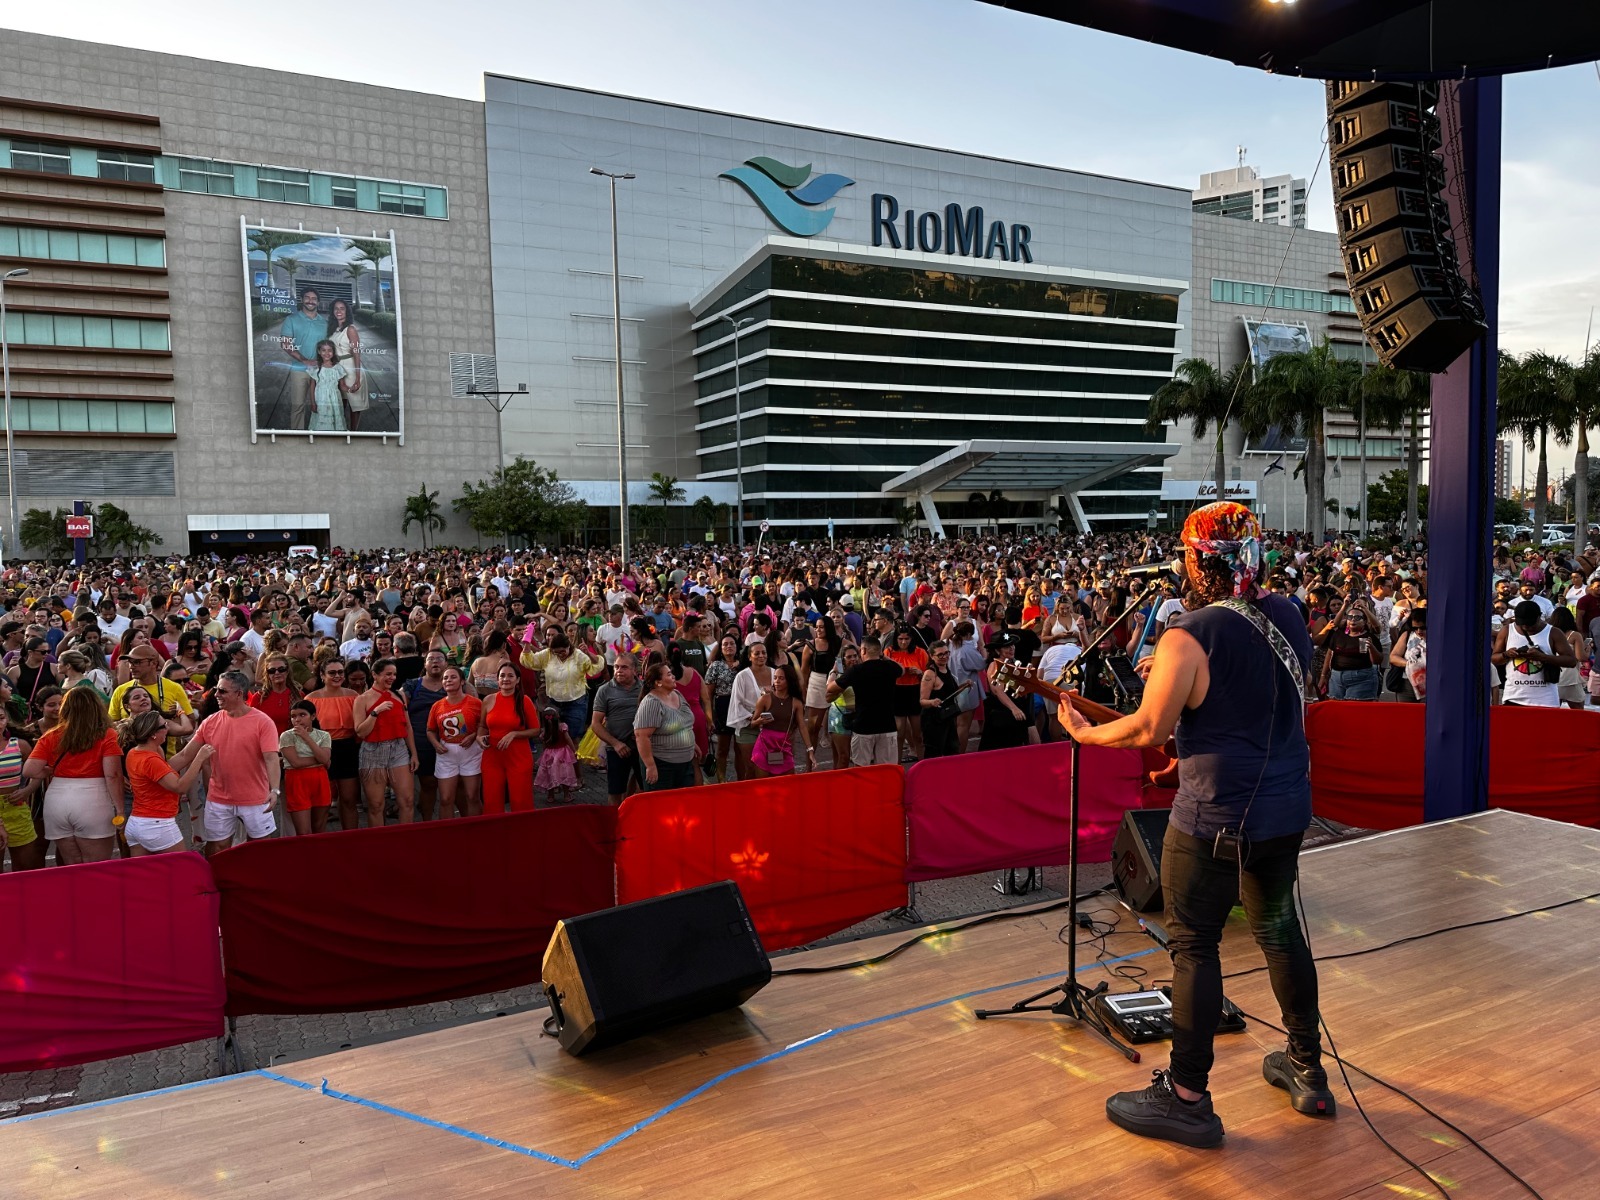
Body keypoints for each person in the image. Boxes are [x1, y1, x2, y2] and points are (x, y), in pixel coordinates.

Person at [1056, 502, 1328, 1150]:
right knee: (1281, 936)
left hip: (1213, 822)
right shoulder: (1289, 615)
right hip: (1286, 814)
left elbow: (1149, 728)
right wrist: (1174, 680)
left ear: (1197, 563)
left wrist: (1088, 735)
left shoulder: (1188, 633)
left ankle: (1187, 1098)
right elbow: (1247, 697)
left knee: (1195, 949)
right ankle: (1306, 1067)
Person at [25, 687, 122, 864]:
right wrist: (120, 809)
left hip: (57, 799)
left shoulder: (52, 735)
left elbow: (29, 770)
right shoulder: (107, 734)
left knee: (72, 866)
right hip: (93, 798)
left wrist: (48, 770)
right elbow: (112, 775)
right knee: (96, 867)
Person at [120, 710, 213, 855]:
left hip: (136, 824)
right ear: (153, 734)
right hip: (157, 825)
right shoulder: (151, 760)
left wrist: (200, 733)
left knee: (144, 876)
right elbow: (180, 786)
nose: (168, 728)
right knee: (180, 869)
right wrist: (200, 758)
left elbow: (180, 758)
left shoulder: (134, 753)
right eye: (164, 725)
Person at [352, 657, 418, 826]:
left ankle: (405, 841)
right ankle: (379, 845)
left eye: (394, 674)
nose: (392, 678)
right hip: (373, 751)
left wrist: (414, 754)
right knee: (375, 805)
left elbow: (408, 727)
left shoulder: (399, 694)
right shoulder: (362, 699)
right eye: (387, 674)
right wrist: (375, 712)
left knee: (407, 801)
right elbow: (360, 731)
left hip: (399, 749)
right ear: (374, 675)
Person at [827, 636, 903, 767]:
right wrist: (883, 656)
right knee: (887, 771)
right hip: (887, 726)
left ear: (863, 651)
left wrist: (834, 671)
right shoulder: (890, 667)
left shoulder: (856, 671)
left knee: (861, 770)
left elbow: (831, 688)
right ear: (879, 651)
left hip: (863, 726)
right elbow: (901, 669)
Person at [476, 661, 540, 814]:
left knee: (520, 800)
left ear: (517, 680)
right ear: (497, 680)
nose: (506, 679)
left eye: (510, 676)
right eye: (502, 676)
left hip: (518, 757)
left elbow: (536, 730)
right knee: (492, 800)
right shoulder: (488, 700)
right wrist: (479, 737)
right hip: (493, 757)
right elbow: (483, 726)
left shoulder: (525, 701)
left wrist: (514, 733)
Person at [305, 659, 361, 831]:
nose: (337, 676)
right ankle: (319, 843)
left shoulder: (353, 695)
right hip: (322, 749)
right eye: (332, 672)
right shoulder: (311, 699)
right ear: (322, 675)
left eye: (340, 672)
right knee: (322, 802)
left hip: (348, 748)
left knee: (349, 799)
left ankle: (350, 840)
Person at [1493, 600, 1575, 708]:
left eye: (1530, 623)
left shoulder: (1553, 633)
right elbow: (1494, 659)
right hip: (1514, 697)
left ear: (1539, 617)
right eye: (1522, 623)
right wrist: (1507, 655)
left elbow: (1571, 661)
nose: (1526, 627)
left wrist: (1543, 657)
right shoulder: (1507, 631)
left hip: (1546, 699)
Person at [633, 661, 699, 790]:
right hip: (663, 766)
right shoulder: (652, 703)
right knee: (662, 807)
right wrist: (650, 766)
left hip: (685, 764)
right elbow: (641, 736)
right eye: (669, 674)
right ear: (658, 682)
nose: (673, 676)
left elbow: (684, 724)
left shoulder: (677, 694)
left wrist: (692, 744)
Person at [401, 649, 449, 819]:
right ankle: (427, 822)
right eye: (431, 659)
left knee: (454, 787)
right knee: (428, 784)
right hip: (422, 743)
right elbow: (399, 708)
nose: (435, 662)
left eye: (439, 659)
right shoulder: (412, 685)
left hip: (452, 744)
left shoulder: (455, 683)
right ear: (425, 664)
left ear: (446, 663)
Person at [591, 653, 643, 803]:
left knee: (646, 788)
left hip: (642, 747)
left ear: (635, 670)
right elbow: (595, 724)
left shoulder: (645, 688)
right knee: (615, 790)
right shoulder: (605, 690)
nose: (619, 670)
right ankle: (616, 821)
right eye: (616, 667)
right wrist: (616, 744)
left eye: (624, 667)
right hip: (616, 750)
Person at [749, 660, 814, 777]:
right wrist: (759, 721)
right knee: (764, 787)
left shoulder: (796, 703)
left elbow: (802, 726)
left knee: (786, 786)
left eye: (781, 678)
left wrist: (810, 749)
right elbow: (752, 723)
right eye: (775, 678)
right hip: (764, 746)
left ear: (789, 681)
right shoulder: (765, 699)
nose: (777, 681)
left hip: (783, 747)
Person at [278, 699, 333, 835]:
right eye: (293, 716)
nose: (297, 719)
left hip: (320, 780)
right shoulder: (286, 736)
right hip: (297, 781)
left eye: (302, 715)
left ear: (313, 716)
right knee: (303, 832)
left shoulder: (324, 735)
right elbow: (296, 763)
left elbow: (325, 758)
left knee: (319, 828)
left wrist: (307, 738)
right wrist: (321, 760)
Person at [278, 287, 326, 430]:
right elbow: (285, 344)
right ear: (301, 299)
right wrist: (305, 360)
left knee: (320, 407)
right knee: (298, 406)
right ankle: (297, 436)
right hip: (299, 369)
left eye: (314, 299)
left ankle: (318, 434)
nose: (310, 301)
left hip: (320, 371)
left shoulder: (325, 322)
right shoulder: (291, 319)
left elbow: (329, 347)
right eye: (307, 297)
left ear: (318, 302)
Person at [0, 712, 43, 871]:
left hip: (16, 808)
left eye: (1, 718)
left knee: (25, 867)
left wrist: (27, 790)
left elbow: (38, 772)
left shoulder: (20, 745)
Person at [885, 626, 929, 761]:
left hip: (914, 691)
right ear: (895, 639)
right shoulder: (889, 652)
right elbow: (885, 675)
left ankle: (922, 764)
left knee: (918, 733)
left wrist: (920, 673)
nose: (904, 642)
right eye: (900, 639)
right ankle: (897, 766)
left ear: (911, 639)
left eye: (907, 639)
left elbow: (928, 677)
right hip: (897, 692)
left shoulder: (920, 653)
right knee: (899, 733)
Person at [327, 298, 371, 431]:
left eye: (342, 308)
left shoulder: (350, 329)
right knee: (341, 404)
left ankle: (353, 433)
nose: (338, 311)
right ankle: (342, 430)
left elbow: (357, 354)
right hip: (338, 369)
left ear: (347, 311)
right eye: (336, 308)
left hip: (351, 369)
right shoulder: (333, 329)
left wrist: (358, 378)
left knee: (355, 405)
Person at [918, 640, 964, 758]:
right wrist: (932, 702)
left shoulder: (946, 669)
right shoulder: (930, 674)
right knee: (934, 754)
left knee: (952, 751)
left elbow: (950, 692)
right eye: (940, 655)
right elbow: (922, 701)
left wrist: (964, 686)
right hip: (934, 721)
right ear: (932, 656)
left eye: (946, 653)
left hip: (947, 717)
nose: (945, 657)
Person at [533, 705, 578, 804]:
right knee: (565, 774)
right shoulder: (562, 727)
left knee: (549, 774)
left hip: (549, 754)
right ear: (557, 716)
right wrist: (573, 750)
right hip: (563, 754)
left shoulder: (544, 732)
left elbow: (544, 744)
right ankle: (566, 795)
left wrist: (544, 753)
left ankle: (550, 796)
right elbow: (568, 739)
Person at [306, 338, 350, 432]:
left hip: (334, 399)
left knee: (334, 419)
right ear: (319, 352)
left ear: (333, 352)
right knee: (321, 419)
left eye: (330, 350)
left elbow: (342, 386)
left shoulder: (338, 367)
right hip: (320, 399)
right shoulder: (316, 367)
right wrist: (313, 403)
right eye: (323, 350)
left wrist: (350, 389)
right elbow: (312, 387)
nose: (327, 353)